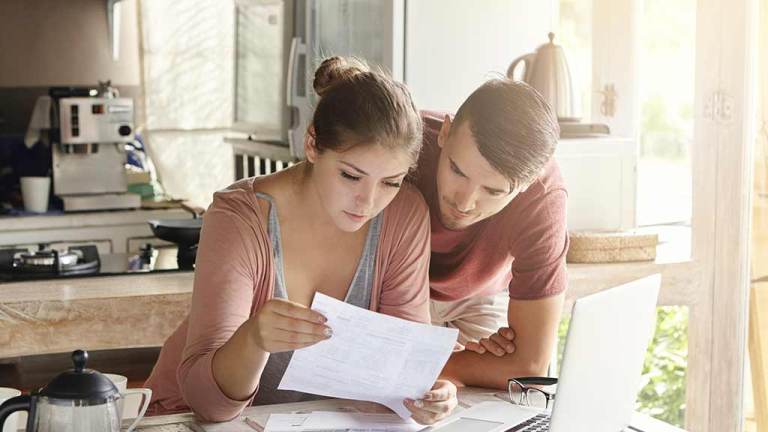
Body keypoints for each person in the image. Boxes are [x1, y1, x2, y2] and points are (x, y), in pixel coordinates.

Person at [144, 57, 457, 424]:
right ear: (312, 144)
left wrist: (426, 395)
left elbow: (400, 370)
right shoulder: (239, 218)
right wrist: (253, 339)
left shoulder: (404, 215)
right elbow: (208, 406)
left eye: (390, 182)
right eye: (350, 176)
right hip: (188, 421)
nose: (368, 202)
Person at [410, 79, 568, 389]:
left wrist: (420, 363)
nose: (464, 202)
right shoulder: (403, 140)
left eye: (493, 190)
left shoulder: (543, 197)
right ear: (444, 132)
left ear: (526, 184)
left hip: (477, 297)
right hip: (393, 290)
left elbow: (530, 368)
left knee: (495, 408)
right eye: (457, 170)